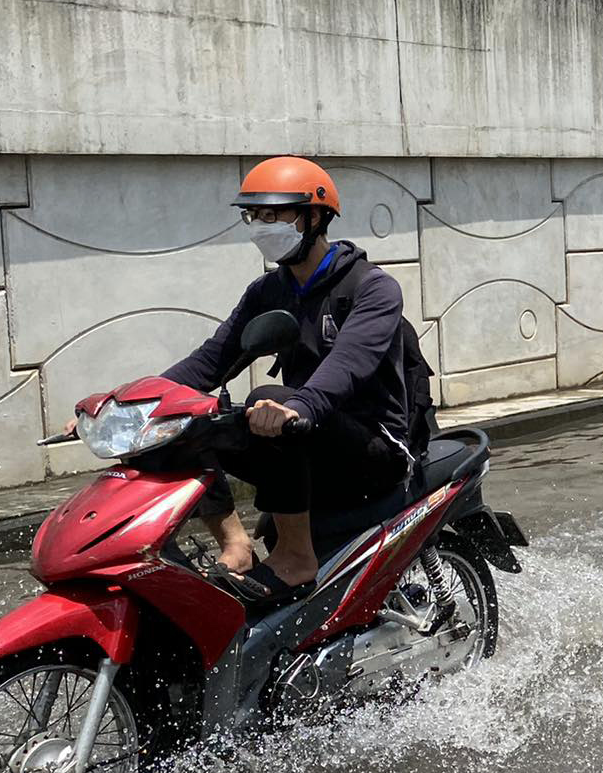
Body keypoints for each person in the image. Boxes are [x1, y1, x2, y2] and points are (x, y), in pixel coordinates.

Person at [163, 157, 423, 607]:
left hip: (374, 447)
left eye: (275, 215)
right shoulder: (268, 291)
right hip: (304, 432)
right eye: (254, 216)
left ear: (315, 216)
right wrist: (128, 403)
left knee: (266, 400)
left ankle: (296, 557)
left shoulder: (371, 288)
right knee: (181, 423)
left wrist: (300, 407)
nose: (262, 226)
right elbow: (212, 360)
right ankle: (235, 546)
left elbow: (347, 365)